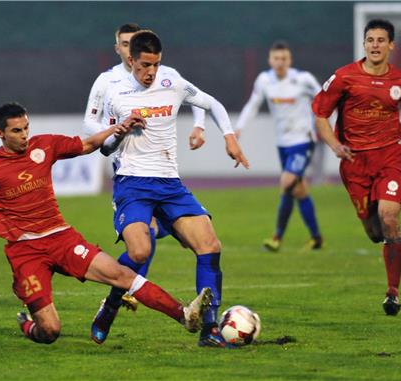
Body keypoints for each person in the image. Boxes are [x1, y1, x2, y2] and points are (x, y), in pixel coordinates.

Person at [0, 102, 213, 344]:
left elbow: (85, 145)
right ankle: (27, 324)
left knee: (122, 275)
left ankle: (184, 315)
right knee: (50, 331)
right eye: (16, 131)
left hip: (61, 238)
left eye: (26, 127)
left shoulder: (44, 145)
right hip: (25, 251)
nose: (24, 135)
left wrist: (117, 128)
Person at [90, 30, 249, 348]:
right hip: (132, 185)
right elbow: (105, 149)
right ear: (131, 60)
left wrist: (229, 137)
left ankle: (210, 329)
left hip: (170, 184)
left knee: (210, 245)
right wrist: (121, 131)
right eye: (145, 65)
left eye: (156, 64)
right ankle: (110, 306)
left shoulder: (172, 83)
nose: (151, 72)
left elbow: (212, 103)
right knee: (140, 251)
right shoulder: (116, 94)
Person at [83, 23, 207, 311]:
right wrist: (113, 132)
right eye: (123, 44)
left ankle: (127, 288)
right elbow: (89, 121)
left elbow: (197, 97)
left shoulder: (164, 78)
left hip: (162, 173)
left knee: (170, 238)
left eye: (132, 43)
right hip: (128, 168)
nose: (128, 47)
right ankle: (126, 291)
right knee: (144, 237)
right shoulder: (108, 82)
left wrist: (199, 126)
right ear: (119, 50)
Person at [312, 19, 401, 316]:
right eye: (370, 40)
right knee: (375, 232)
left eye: (381, 40)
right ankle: (377, 227)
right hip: (355, 163)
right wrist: (335, 145)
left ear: (391, 46)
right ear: (364, 44)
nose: (375, 45)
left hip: (390, 157)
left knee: (389, 216)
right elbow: (321, 115)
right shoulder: (344, 77)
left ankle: (393, 293)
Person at [235, 40, 323, 252]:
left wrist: (328, 126)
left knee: (286, 183)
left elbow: (325, 99)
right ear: (270, 60)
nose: (280, 62)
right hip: (282, 144)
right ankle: (316, 238)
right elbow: (253, 105)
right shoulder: (264, 80)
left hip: (303, 140)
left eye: (284, 58)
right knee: (299, 190)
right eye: (276, 58)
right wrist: (238, 128)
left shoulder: (303, 79)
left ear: (290, 60)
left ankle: (277, 237)